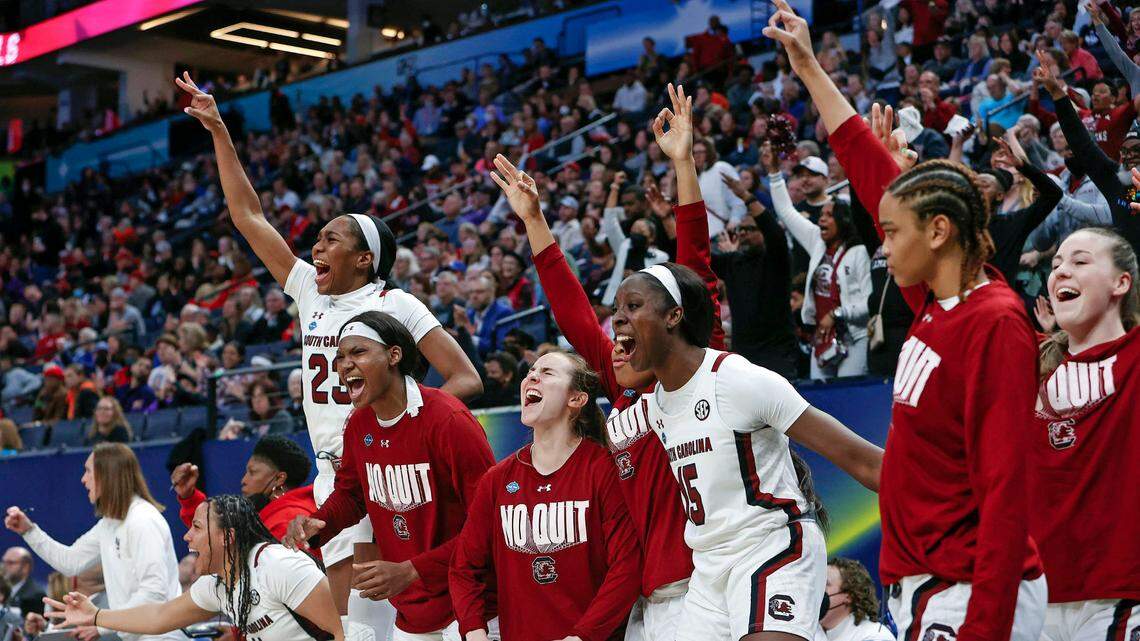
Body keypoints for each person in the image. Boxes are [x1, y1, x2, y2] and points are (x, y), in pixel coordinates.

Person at [763, 3, 1045, 640]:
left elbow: (1006, 491)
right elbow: (868, 171)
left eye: (891, 233)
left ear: (939, 233)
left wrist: (986, 623)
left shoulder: (994, 322)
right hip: (926, 584)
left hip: (970, 593)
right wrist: (807, 66)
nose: (883, 247)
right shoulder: (938, 303)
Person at [177, 72, 481, 641]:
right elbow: (248, 217)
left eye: (332, 238)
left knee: (387, 608)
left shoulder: (396, 303)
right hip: (333, 470)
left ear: (366, 259)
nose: (316, 245)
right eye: (317, 237)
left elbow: (466, 378)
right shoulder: (310, 291)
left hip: (383, 466)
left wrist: (393, 427)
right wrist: (219, 128)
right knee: (356, 618)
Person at [491, 83, 724, 641]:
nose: (617, 333)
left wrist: (684, 165)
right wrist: (534, 221)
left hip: (698, 590)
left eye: (633, 316)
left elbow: (697, 273)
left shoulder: (690, 378)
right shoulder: (621, 388)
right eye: (615, 319)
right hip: (641, 602)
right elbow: (572, 310)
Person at [282, 311, 496, 641]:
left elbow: (490, 523)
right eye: (339, 357)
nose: (344, 365)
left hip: (473, 600)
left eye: (358, 352)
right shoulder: (358, 424)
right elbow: (352, 495)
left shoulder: (448, 419)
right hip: (412, 605)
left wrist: (412, 569)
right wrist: (319, 523)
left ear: (394, 355)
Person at [449, 351, 641, 641]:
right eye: (530, 371)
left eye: (548, 372)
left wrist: (582, 636)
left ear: (575, 399)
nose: (531, 376)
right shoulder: (497, 480)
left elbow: (627, 566)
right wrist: (473, 628)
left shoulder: (604, 470)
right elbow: (464, 567)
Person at [1032, 227, 1140, 641]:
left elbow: (1126, 191)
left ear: (1121, 283)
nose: (1061, 272)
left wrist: (1133, 193)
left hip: (1119, 594)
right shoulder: (1026, 364)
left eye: (1079, 262)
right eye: (1056, 264)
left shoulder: (1133, 359)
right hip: (1033, 596)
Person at [45, 495, 342, 641]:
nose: (187, 536)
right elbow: (159, 616)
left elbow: (344, 629)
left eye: (196, 527)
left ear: (227, 537)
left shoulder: (277, 565)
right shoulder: (218, 585)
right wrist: (97, 616)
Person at [4, 443, 183, 641]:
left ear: (108, 475)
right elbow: (70, 562)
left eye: (88, 471)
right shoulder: (109, 524)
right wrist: (28, 531)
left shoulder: (143, 520)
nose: (83, 479)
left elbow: (154, 594)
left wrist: (100, 621)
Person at [770, 171, 871, 380]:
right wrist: (774, 174)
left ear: (843, 220)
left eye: (828, 215)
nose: (821, 219)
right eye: (821, 215)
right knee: (821, 402)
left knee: (848, 396)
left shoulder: (859, 252)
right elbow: (786, 211)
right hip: (821, 337)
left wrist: (837, 314)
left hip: (853, 338)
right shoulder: (817, 241)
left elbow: (870, 303)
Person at [172, 435, 316, 542]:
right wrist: (189, 496)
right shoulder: (265, 516)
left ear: (279, 479)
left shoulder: (285, 522)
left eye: (252, 472)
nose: (243, 480)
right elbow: (218, 533)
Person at [819, 558, 893, 641]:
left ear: (849, 596)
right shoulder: (809, 632)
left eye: (826, 584)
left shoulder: (874, 636)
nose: (817, 589)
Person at [2, 547, 45, 616]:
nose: (4, 566)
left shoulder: (35, 595)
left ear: (25, 567)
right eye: (3, 562)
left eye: (10, 563)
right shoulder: (3, 591)